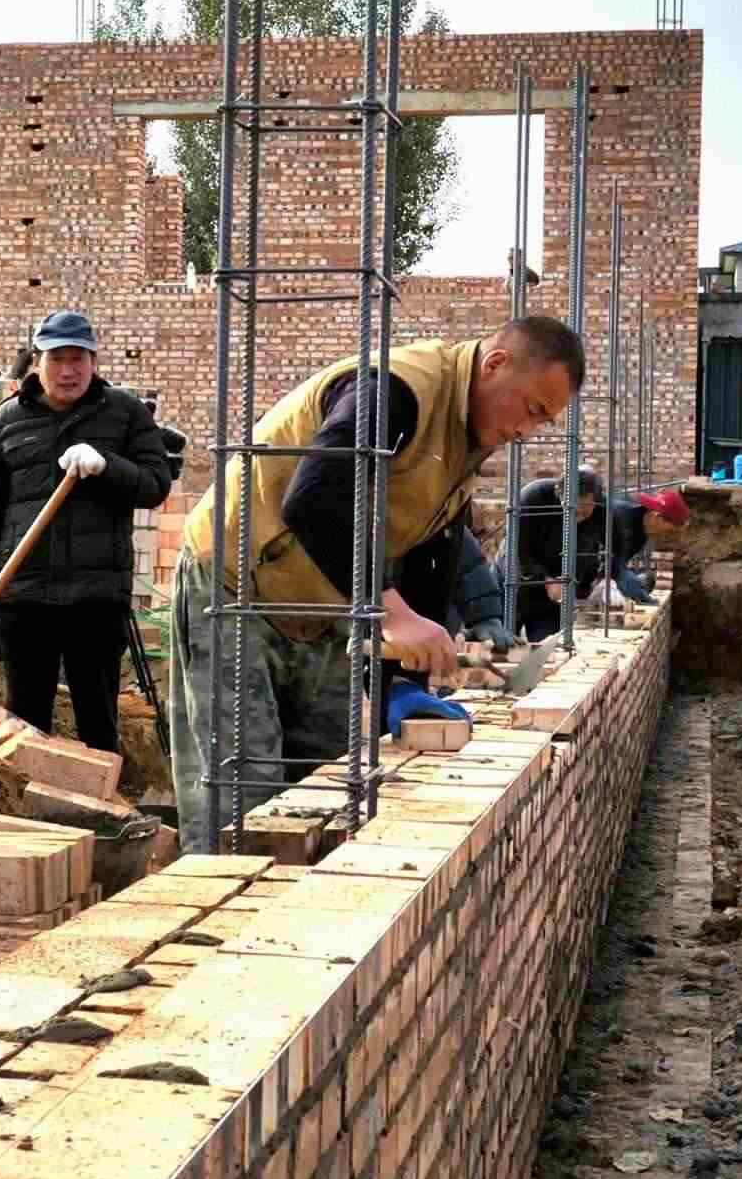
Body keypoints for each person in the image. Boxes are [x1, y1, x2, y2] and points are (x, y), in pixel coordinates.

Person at [170, 316, 585, 850]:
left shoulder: (466, 437)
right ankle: (218, 892)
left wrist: (402, 683)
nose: (527, 431)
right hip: (236, 585)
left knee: (323, 785)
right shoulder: (395, 390)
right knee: (244, 789)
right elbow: (315, 498)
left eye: (544, 422)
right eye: (532, 408)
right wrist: (389, 611)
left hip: (322, 601)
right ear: (496, 364)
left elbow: (428, 551)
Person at [0, 310, 171, 752]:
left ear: (94, 361)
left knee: (98, 725)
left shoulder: (125, 414)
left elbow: (155, 485)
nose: (68, 371)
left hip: (95, 600)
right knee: (24, 729)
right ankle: (32, 797)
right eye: (57, 359)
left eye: (78, 359)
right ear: (37, 362)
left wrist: (107, 465)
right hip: (24, 599)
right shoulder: (4, 422)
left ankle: (104, 796)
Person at [497, 468, 605, 641]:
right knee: (503, 643)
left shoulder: (600, 511)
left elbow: (594, 552)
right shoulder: (533, 497)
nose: (578, 518)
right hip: (516, 580)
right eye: (573, 511)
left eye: (584, 512)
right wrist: (546, 581)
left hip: (553, 597)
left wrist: (593, 584)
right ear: (559, 494)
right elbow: (517, 552)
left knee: (547, 646)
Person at [598, 488, 691, 602]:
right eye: (671, 532)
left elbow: (615, 565)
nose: (671, 538)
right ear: (657, 517)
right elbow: (604, 562)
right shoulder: (620, 518)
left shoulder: (640, 534)